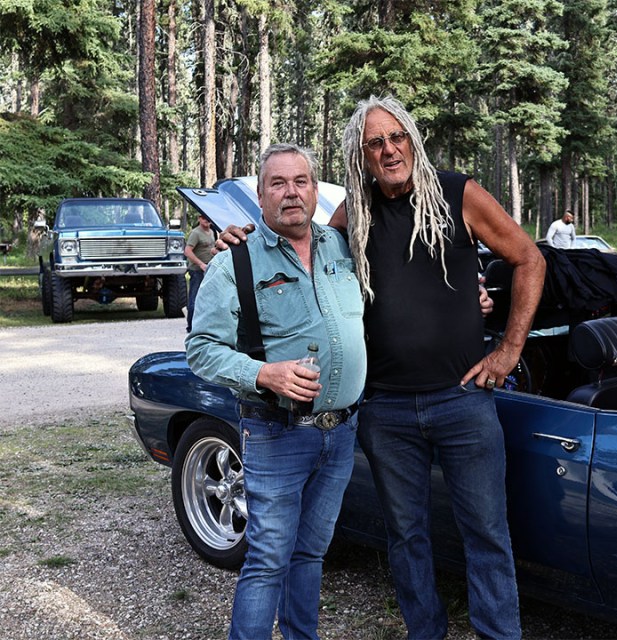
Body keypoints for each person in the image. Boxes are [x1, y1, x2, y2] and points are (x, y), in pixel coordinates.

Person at [219, 95, 546, 639]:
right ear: (361, 154)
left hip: (463, 399)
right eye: (376, 142)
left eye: (397, 137)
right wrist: (240, 241)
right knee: (407, 537)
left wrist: (509, 349)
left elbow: (528, 257)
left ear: (412, 141)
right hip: (385, 409)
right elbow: (299, 244)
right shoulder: (354, 214)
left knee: (487, 533)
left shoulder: (459, 194)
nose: (389, 150)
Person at [186, 143, 365, 640]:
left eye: (300, 182)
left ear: (315, 190)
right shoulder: (235, 261)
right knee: (268, 558)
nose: (291, 193)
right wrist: (264, 374)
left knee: (311, 553)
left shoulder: (342, 247)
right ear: (261, 196)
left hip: (342, 432)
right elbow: (200, 349)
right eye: (278, 183)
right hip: (276, 433)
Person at [184, 213, 215, 332]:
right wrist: (200, 264)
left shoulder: (212, 232)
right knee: (194, 299)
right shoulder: (196, 233)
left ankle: (204, 325)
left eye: (208, 217)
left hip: (209, 270)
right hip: (197, 270)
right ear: (199, 219)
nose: (206, 220)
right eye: (203, 217)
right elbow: (187, 251)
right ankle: (191, 327)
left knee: (208, 299)